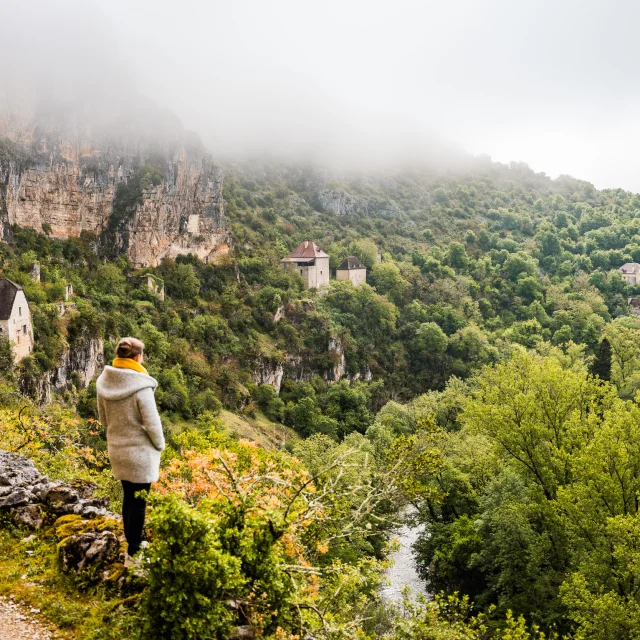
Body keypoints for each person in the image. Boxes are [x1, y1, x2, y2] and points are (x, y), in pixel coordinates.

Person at [96, 337, 164, 568]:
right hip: (140, 453)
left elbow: (103, 420)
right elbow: (153, 424)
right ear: (138, 357)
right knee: (140, 501)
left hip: (117, 449)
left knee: (128, 497)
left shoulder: (104, 383)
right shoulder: (141, 387)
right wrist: (160, 445)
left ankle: (132, 544)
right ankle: (134, 554)